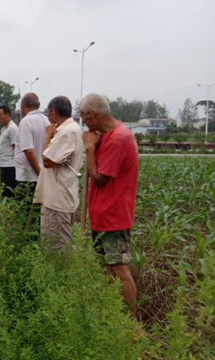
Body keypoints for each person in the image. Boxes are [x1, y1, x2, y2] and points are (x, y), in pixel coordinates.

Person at [81, 93, 139, 318]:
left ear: (91, 115)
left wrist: (89, 148)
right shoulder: (110, 136)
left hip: (113, 216)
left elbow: (98, 177)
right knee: (108, 267)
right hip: (103, 215)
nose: (84, 124)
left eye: (84, 118)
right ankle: (115, 316)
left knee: (118, 268)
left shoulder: (118, 139)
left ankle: (131, 323)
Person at [34, 96, 83, 251]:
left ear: (53, 112)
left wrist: (48, 136)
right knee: (62, 243)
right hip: (60, 195)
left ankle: (61, 275)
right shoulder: (70, 130)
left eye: (49, 114)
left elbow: (47, 161)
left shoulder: (67, 132)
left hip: (57, 199)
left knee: (56, 247)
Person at [14, 93, 50, 222]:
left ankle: (26, 240)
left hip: (28, 177)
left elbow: (29, 151)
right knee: (38, 216)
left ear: (23, 106)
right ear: (38, 105)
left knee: (25, 214)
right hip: (42, 174)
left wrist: (39, 175)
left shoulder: (26, 122)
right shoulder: (47, 121)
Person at [0, 105, 19, 198]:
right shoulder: (4, 129)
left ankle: (8, 210)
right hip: (4, 164)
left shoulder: (13, 128)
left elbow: (16, 147)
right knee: (4, 189)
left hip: (10, 165)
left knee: (8, 191)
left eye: (0, 115)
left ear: (8, 114)